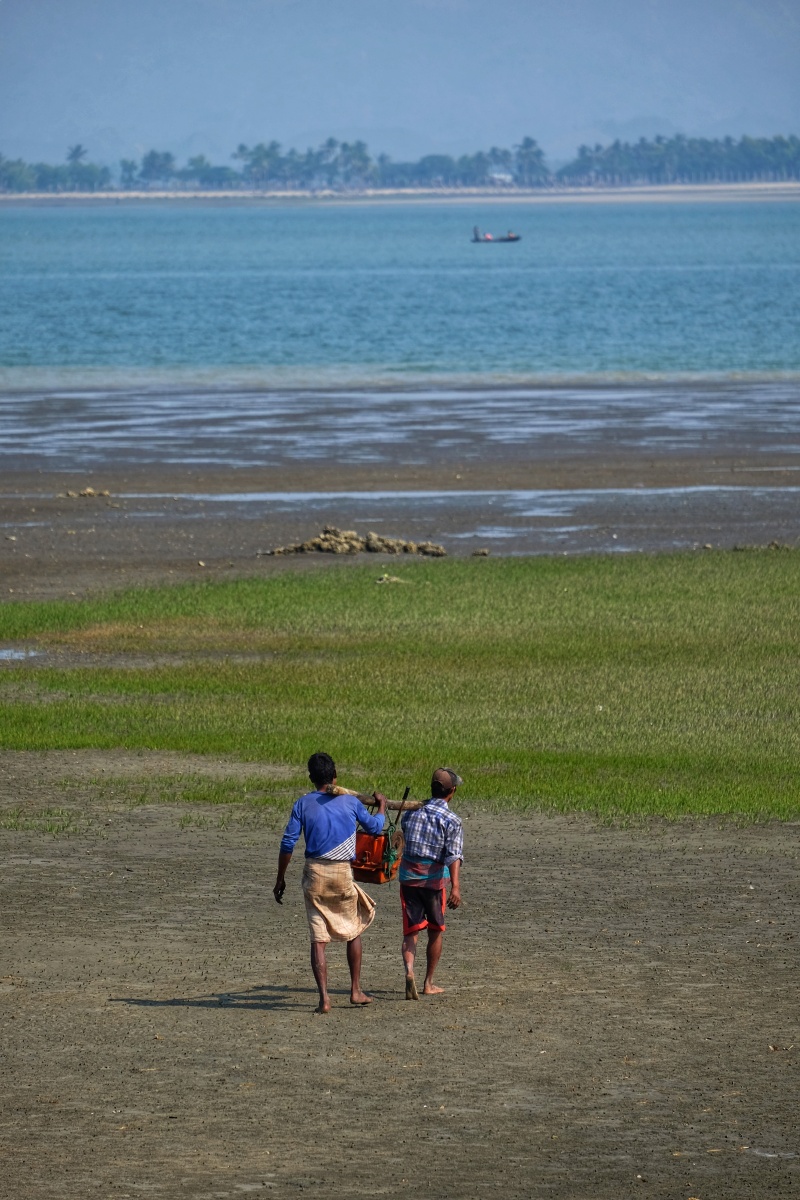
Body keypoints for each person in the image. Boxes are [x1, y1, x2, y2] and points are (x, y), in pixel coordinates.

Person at [274, 752, 387, 1014]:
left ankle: (324, 999)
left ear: (312, 778)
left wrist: (280, 878)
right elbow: (373, 828)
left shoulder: (302, 804)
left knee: (318, 938)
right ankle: (355, 990)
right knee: (354, 929)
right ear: (335, 776)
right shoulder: (349, 802)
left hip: (314, 874)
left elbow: (287, 844)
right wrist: (381, 807)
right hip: (341, 873)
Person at [399, 767, 464, 1000]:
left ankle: (409, 971)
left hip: (408, 879)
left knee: (411, 931)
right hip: (434, 883)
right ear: (452, 791)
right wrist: (455, 886)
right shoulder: (452, 820)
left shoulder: (411, 812)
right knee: (436, 931)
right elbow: (453, 856)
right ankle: (428, 982)